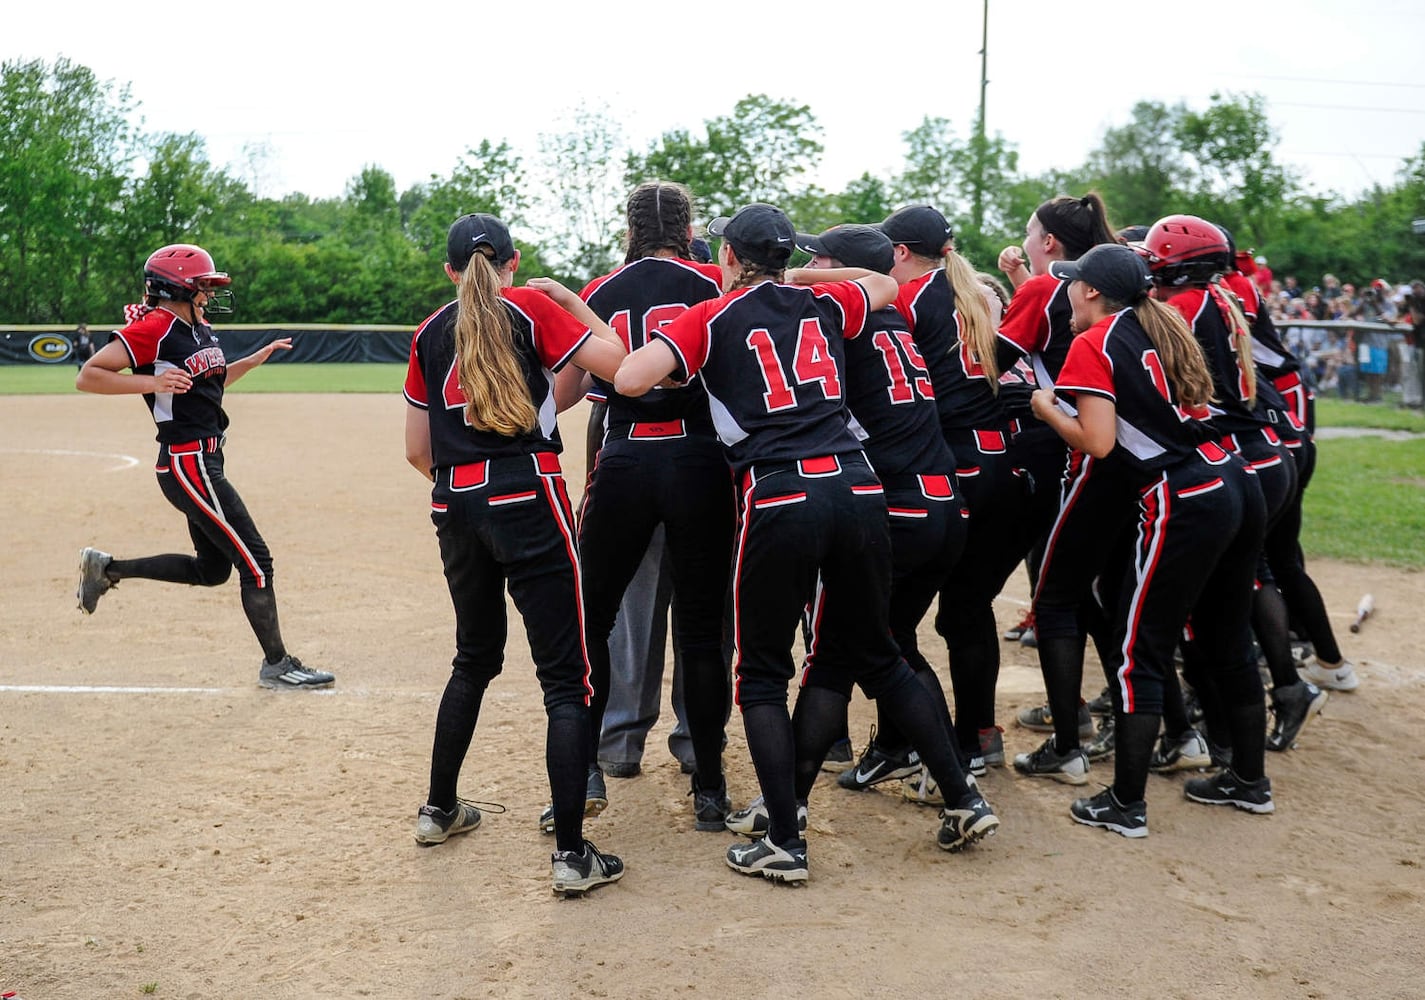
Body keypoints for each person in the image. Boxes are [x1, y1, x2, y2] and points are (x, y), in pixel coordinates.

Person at [615, 203, 997, 884]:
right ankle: (963, 796)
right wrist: (801, 274)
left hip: (783, 492)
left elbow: (628, 378)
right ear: (790, 256)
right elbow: (885, 284)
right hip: (857, 487)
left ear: (726, 256)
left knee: (761, 674)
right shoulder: (821, 303)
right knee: (876, 652)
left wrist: (693, 342)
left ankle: (786, 842)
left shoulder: (712, 314)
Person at [402, 213, 627, 896]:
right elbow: (619, 366)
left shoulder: (428, 330)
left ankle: (439, 809)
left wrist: (473, 491)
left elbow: (417, 450)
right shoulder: (528, 306)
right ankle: (570, 855)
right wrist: (573, 303)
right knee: (567, 679)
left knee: (474, 657)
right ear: (513, 262)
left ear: (448, 271)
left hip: (453, 500)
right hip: (528, 493)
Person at [1031, 243, 1273, 837]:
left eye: (1073, 284)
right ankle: (1248, 781)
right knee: (1227, 637)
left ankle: (1126, 804)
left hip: (1185, 495)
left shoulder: (1097, 340)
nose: (1065, 292)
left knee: (1141, 648)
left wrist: (1045, 409)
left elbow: (1099, 443)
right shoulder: (1154, 322)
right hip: (1234, 477)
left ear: (1090, 291)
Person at [75, 244, 335, 691]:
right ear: (176, 287)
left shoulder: (198, 328)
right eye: (202, 286)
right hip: (187, 462)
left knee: (213, 570)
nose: (208, 294)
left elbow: (207, 381)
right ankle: (276, 664)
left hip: (206, 457)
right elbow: (89, 375)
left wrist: (250, 361)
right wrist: (152, 381)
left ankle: (107, 569)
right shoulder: (154, 327)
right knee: (257, 562)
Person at [573, 181, 735, 830]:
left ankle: (602, 754)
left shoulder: (599, 292)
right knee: (703, 630)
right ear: (690, 225)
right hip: (701, 463)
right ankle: (707, 777)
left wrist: (597, 480)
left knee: (606, 619)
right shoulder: (714, 287)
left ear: (629, 228)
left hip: (627, 459)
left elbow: (597, 405)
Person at [793, 223, 968, 804]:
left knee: (832, 657)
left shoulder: (847, 322)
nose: (811, 262)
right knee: (892, 643)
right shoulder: (895, 318)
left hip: (900, 508)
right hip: (943, 502)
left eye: (820, 257)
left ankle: (784, 802)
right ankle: (921, 761)